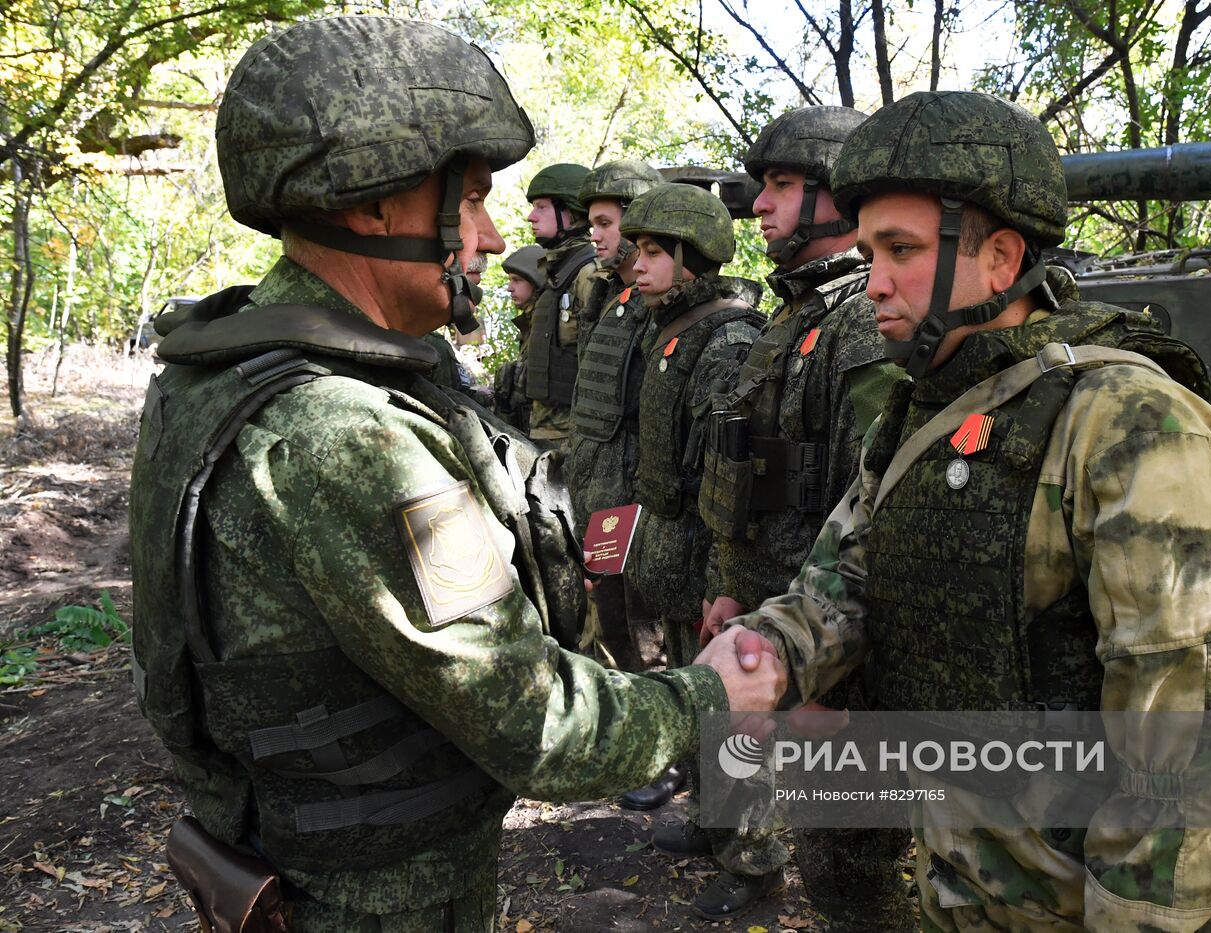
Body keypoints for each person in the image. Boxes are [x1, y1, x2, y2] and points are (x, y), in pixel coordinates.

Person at [127, 17, 786, 932]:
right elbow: (539, 725)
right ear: (372, 205)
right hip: (379, 900)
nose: (484, 235)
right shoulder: (343, 434)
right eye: (469, 199)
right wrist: (712, 694)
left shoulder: (215, 372)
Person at [725, 90, 1211, 931]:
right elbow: (842, 583)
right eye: (869, 250)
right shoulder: (916, 415)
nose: (873, 283)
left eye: (900, 249)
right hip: (958, 882)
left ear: (1001, 257)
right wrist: (764, 655)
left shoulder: (1126, 423)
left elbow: (1189, 729)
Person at [695, 105, 912, 932]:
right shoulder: (793, 316)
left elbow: (876, 511)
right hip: (769, 615)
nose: (758, 205)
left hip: (826, 648)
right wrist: (725, 584)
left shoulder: (862, 319)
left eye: (781, 186)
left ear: (832, 196)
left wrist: (834, 679)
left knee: (850, 868)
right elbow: (735, 460)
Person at [615, 182, 787, 920]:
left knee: (732, 718)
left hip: (713, 554)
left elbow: (726, 477)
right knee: (699, 702)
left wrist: (726, 575)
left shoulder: (727, 338)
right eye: (637, 250)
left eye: (655, 252)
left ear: (695, 259)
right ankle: (717, 825)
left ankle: (755, 861)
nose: (637, 265)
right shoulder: (670, 329)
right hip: (675, 551)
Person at [566, 158, 664, 675]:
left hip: (637, 508)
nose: (595, 236)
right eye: (592, 224)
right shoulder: (609, 297)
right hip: (601, 498)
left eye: (606, 224)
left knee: (643, 644)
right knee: (610, 634)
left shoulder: (664, 306)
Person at [523, 162, 597, 451]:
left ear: (570, 212)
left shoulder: (588, 272)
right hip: (546, 430)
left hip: (571, 437)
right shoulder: (557, 271)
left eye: (541, 207)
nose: (531, 216)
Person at [493, 244, 546, 431]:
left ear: (536, 281)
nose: (509, 288)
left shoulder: (546, 326)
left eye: (516, 280)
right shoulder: (531, 325)